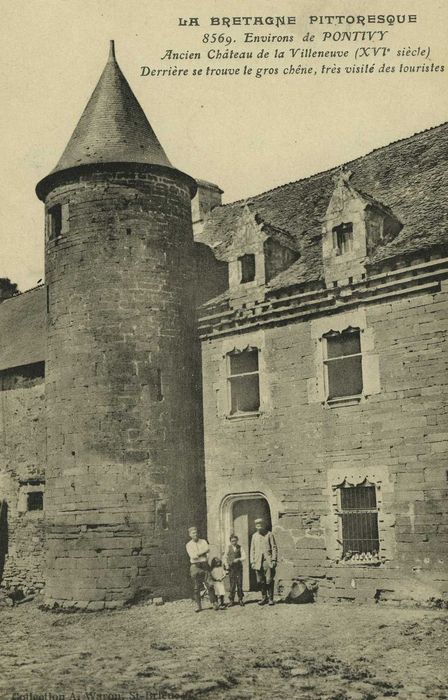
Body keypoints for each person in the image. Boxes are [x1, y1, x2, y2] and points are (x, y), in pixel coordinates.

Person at [186, 526, 217, 612]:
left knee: (210, 585)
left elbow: (208, 551)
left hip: (204, 565)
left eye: (196, 532)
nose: (195, 534)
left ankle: (214, 603)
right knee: (196, 588)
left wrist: (199, 554)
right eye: (193, 533)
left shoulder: (203, 541)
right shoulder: (188, 545)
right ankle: (198, 606)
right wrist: (202, 553)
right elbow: (193, 556)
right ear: (190, 535)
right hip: (195, 567)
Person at [250, 518, 278, 606]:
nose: (259, 527)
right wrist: (252, 562)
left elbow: (274, 548)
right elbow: (252, 550)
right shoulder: (254, 536)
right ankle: (263, 597)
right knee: (260, 581)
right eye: (257, 525)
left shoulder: (269, 534)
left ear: (264, 525)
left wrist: (274, 559)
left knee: (269, 580)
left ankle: (270, 599)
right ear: (255, 526)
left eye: (260, 525)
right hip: (257, 561)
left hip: (267, 561)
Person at [224, 534, 246, 607]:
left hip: (239, 568)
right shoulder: (228, 548)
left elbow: (244, 556)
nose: (234, 542)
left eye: (235, 541)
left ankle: (240, 599)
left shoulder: (240, 547)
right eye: (232, 541)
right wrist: (227, 565)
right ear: (230, 541)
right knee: (232, 585)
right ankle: (231, 600)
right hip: (231, 569)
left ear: (237, 540)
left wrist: (239, 559)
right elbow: (225, 557)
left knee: (239, 584)